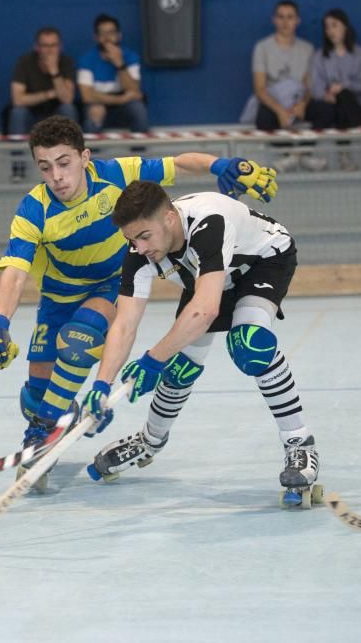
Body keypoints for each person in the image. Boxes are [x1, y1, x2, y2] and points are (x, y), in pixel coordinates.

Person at [0, 115, 278, 489]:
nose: (56, 176)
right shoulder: (33, 210)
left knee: (80, 340)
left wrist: (221, 165)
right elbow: (15, 273)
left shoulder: (115, 174)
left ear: (84, 157)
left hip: (107, 286)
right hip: (57, 297)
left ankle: (41, 440)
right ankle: (55, 417)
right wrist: (0, 324)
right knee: (36, 396)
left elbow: (178, 164)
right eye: (45, 167)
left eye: (64, 163)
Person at [81, 181, 319, 504]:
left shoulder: (208, 223)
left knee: (250, 344)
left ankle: (299, 443)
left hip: (261, 262)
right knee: (179, 367)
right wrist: (102, 385)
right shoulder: (139, 251)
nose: (139, 247)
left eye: (144, 236)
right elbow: (124, 324)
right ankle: (149, 441)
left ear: (169, 218)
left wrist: (153, 359)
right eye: (131, 239)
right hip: (208, 274)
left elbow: (206, 310)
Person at [244, 0, 324, 171]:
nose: (285, 22)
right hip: (275, 102)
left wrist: (303, 104)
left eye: (290, 17)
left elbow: (309, 86)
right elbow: (260, 88)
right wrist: (280, 110)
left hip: (298, 102)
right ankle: (289, 154)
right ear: (274, 20)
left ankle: (301, 153)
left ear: (298, 21)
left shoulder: (307, 49)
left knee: (326, 110)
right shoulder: (262, 47)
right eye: (281, 17)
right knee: (263, 118)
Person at [7, 26, 79, 182]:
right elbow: (18, 99)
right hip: (31, 114)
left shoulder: (66, 62)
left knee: (68, 109)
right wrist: (49, 94)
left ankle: (71, 165)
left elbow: (67, 98)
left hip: (56, 114)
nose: (49, 50)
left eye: (53, 45)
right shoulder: (25, 62)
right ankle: (18, 168)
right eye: (45, 46)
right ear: (37, 47)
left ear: (60, 46)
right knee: (17, 113)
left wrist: (54, 72)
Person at [306, 9, 361, 171]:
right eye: (327, 27)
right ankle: (350, 146)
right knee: (338, 104)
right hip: (331, 103)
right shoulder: (320, 56)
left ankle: (347, 150)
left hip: (357, 103)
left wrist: (342, 87)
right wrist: (326, 95)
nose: (330, 31)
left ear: (345, 27)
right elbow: (315, 87)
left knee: (344, 96)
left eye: (334, 25)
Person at [76, 14, 149, 135]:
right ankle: (91, 147)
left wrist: (120, 64)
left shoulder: (130, 56)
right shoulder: (86, 59)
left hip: (123, 105)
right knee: (95, 111)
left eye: (111, 33)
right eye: (102, 34)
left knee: (138, 109)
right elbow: (87, 95)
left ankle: (139, 146)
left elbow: (134, 90)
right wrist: (120, 100)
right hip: (99, 102)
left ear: (119, 35)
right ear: (96, 37)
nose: (107, 38)